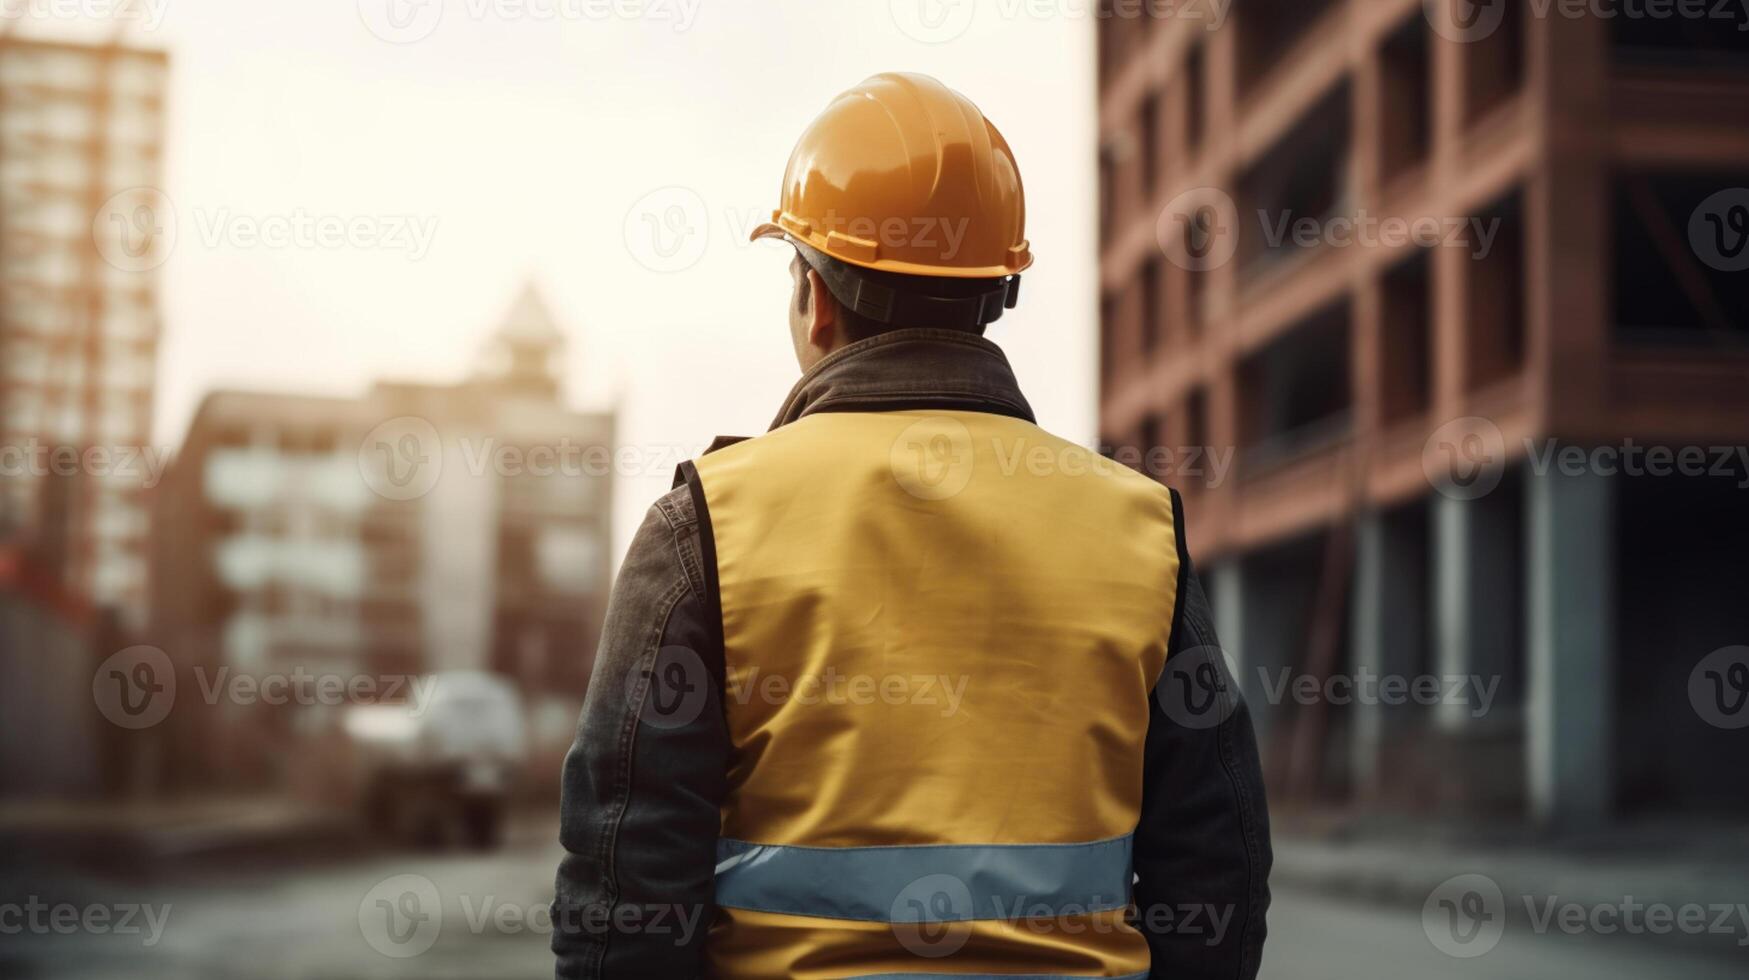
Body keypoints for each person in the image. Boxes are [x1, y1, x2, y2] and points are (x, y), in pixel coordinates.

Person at [552, 71, 1271, 979]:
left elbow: (625, 886)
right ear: (996, 295)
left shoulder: (710, 523)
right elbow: (1219, 866)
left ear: (814, 299)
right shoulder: (1137, 528)